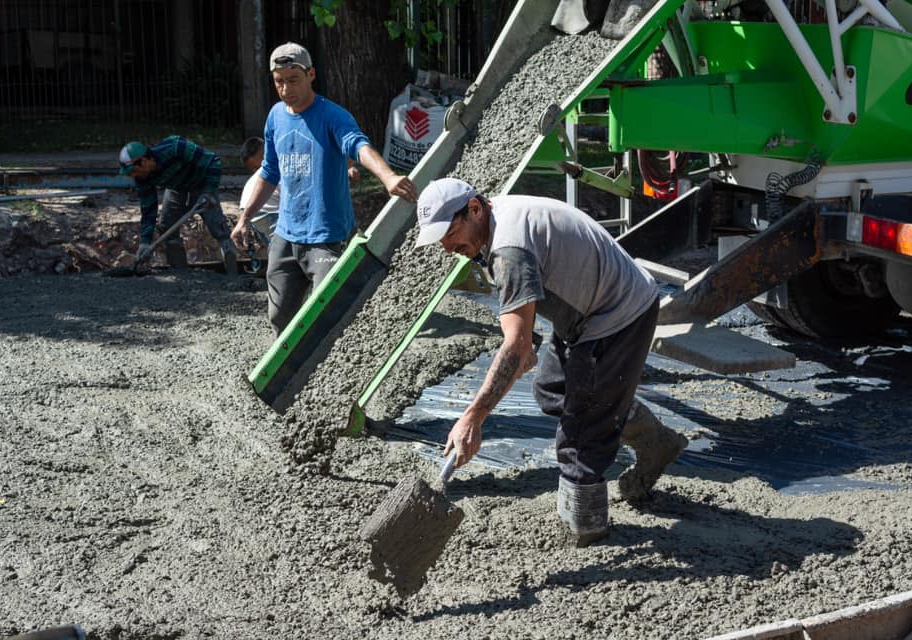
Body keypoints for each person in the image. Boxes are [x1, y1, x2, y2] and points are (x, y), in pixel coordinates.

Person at [414, 178, 688, 546]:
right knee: (552, 389)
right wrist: (520, 351)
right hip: (588, 308)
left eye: (448, 233)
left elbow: (516, 346)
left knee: (580, 435)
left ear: (474, 209)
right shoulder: (495, 222)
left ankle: (585, 530)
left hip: (617, 312)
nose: (447, 248)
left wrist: (473, 417)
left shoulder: (508, 250)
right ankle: (654, 440)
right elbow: (522, 346)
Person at [230, 42, 417, 336]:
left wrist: (388, 177)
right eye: (279, 82)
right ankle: (289, 376)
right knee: (279, 316)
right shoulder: (276, 117)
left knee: (324, 314)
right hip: (286, 234)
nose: (286, 89)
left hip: (326, 237)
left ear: (311, 74)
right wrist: (244, 218)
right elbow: (269, 171)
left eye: (293, 80)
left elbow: (358, 145)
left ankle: (327, 369)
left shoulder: (332, 116)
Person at [119, 136, 238, 276]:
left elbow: (213, 161)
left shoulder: (176, 148)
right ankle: (182, 275)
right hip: (176, 188)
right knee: (167, 227)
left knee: (218, 227)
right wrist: (145, 242)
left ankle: (233, 275)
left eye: (133, 171)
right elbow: (148, 209)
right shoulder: (142, 178)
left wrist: (209, 191)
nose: (133, 176)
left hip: (201, 184)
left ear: (144, 161)